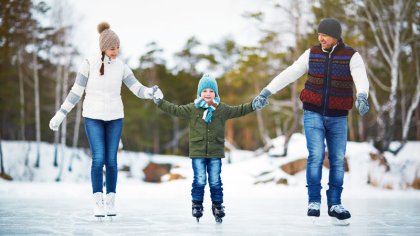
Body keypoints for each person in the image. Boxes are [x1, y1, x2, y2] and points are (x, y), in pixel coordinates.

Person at [253, 18, 370, 224]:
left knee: (337, 159)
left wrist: (362, 96)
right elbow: (290, 72)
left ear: (335, 36)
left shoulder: (352, 56)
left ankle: (334, 204)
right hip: (313, 113)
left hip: (338, 116)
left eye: (324, 35)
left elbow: (361, 77)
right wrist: (266, 91)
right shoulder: (312, 53)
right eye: (319, 34)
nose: (320, 38)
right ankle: (314, 201)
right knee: (316, 155)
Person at [48, 22, 159, 218]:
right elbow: (76, 92)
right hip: (93, 118)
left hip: (115, 118)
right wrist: (60, 114)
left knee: (112, 161)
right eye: (112, 48)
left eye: (117, 47)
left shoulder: (122, 67)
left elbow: (137, 89)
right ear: (103, 47)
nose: (115, 51)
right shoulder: (88, 64)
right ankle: (98, 203)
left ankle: (110, 201)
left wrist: (151, 92)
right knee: (98, 159)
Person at [151, 74, 260, 223]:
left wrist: (254, 104)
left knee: (215, 180)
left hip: (215, 151)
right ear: (199, 93)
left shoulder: (222, 109)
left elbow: (239, 109)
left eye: (211, 91)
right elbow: (174, 109)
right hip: (198, 151)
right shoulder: (193, 108)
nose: (208, 93)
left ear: (216, 93)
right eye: (205, 91)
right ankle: (197, 204)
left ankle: (217, 206)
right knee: (200, 179)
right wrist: (159, 101)